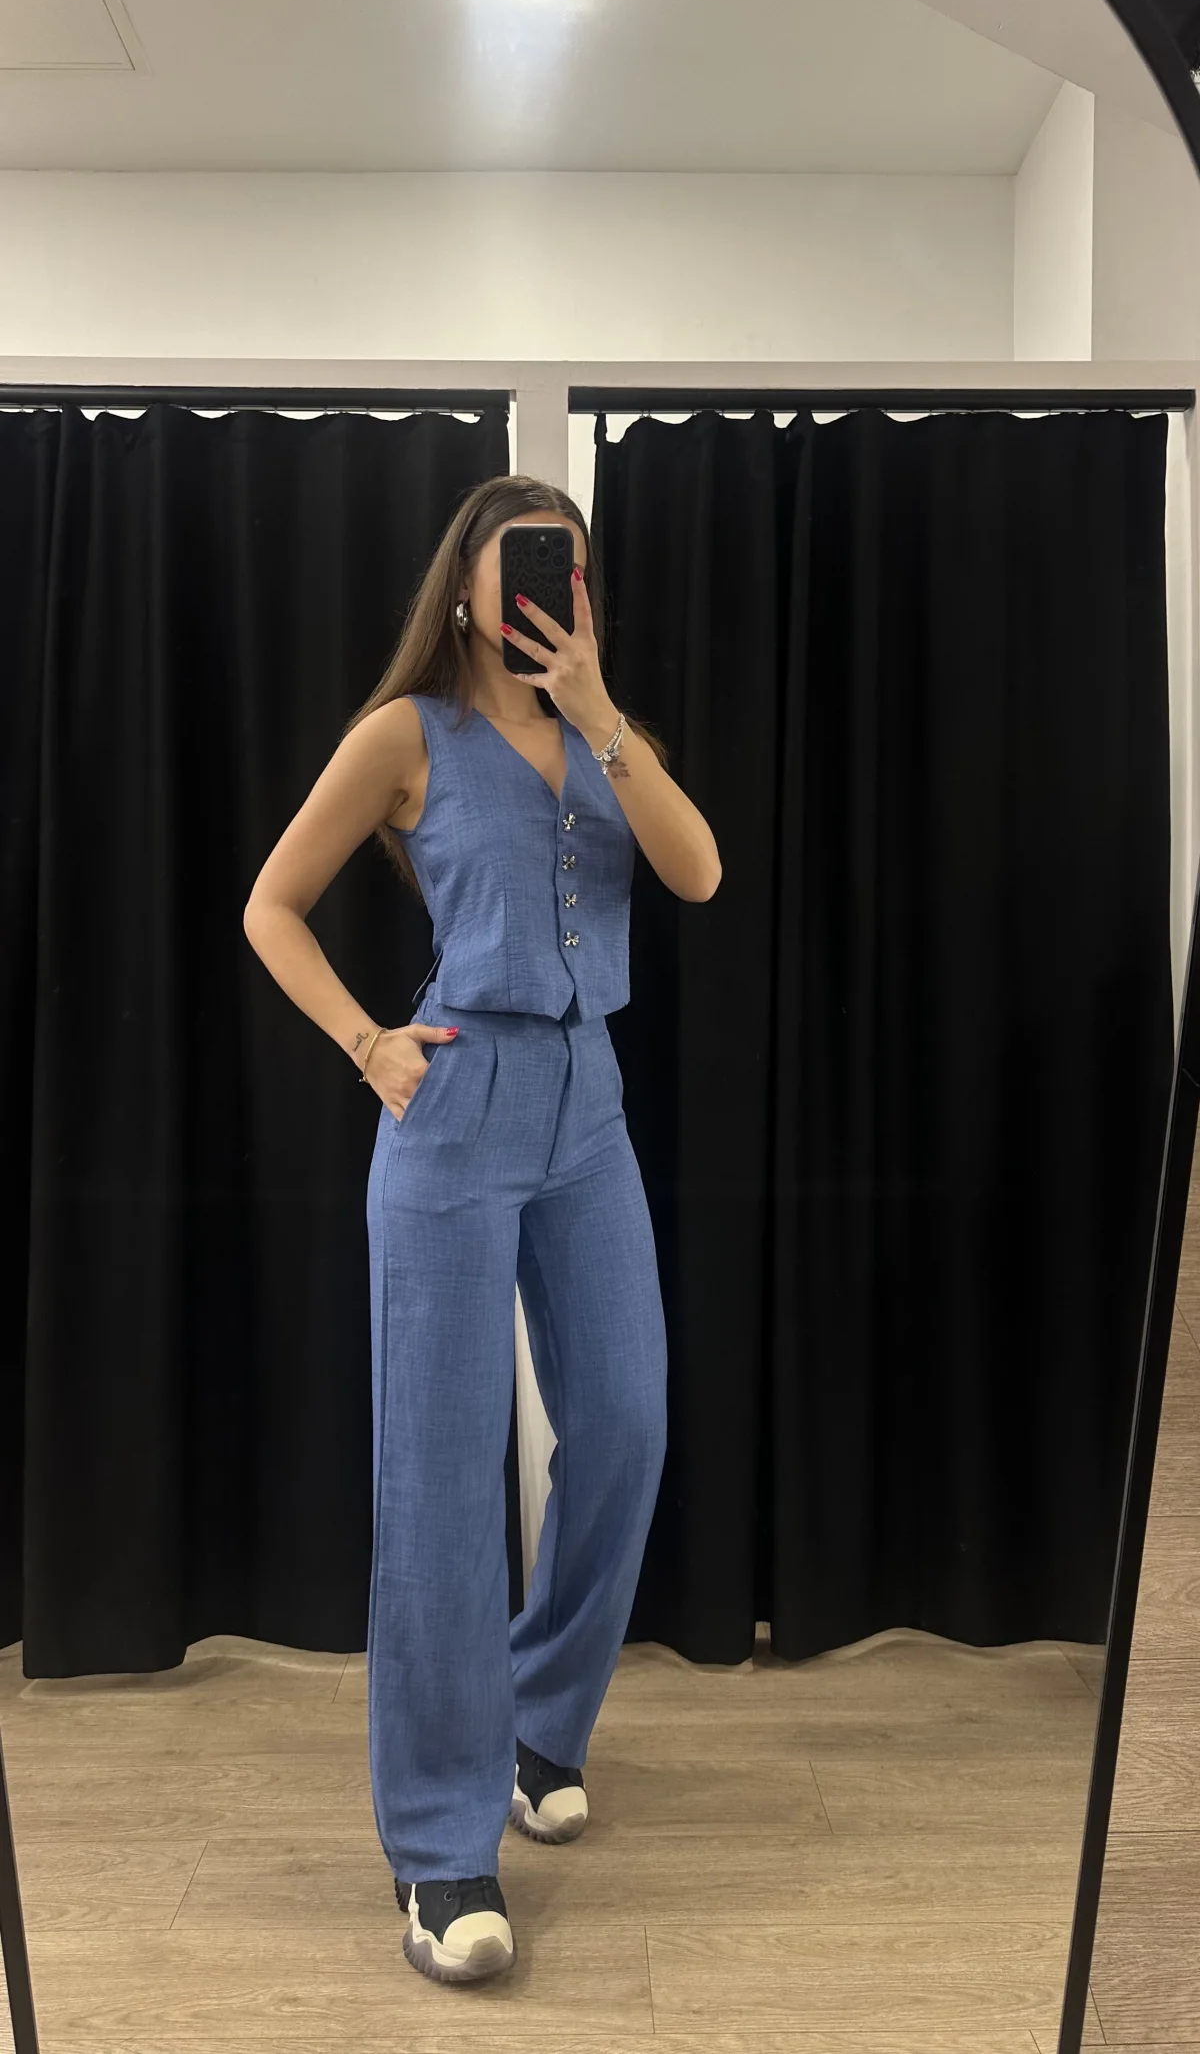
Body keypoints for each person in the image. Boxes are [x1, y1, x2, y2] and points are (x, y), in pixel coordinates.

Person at [243, 474, 722, 1986]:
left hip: (589, 1108)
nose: (550, 593)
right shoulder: (409, 736)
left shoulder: (602, 733)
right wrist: (369, 1045)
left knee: (627, 1421)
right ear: (466, 584)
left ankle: (536, 1725)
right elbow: (270, 905)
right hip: (453, 1106)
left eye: (570, 571)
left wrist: (600, 711)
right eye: (525, 569)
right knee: (442, 1482)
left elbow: (699, 871)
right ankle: (440, 1851)